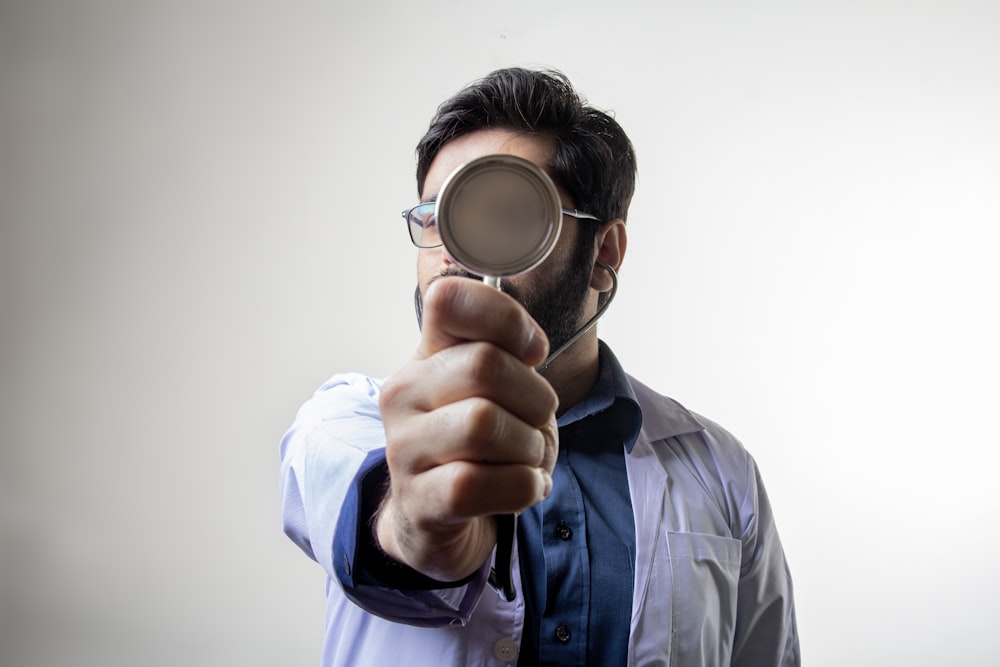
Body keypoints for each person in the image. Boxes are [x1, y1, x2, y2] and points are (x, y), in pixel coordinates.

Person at [280, 67, 800, 666]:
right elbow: (383, 520)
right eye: (434, 214)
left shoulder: (722, 472)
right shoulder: (343, 421)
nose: (454, 245)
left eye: (501, 208)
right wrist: (421, 525)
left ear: (603, 253)